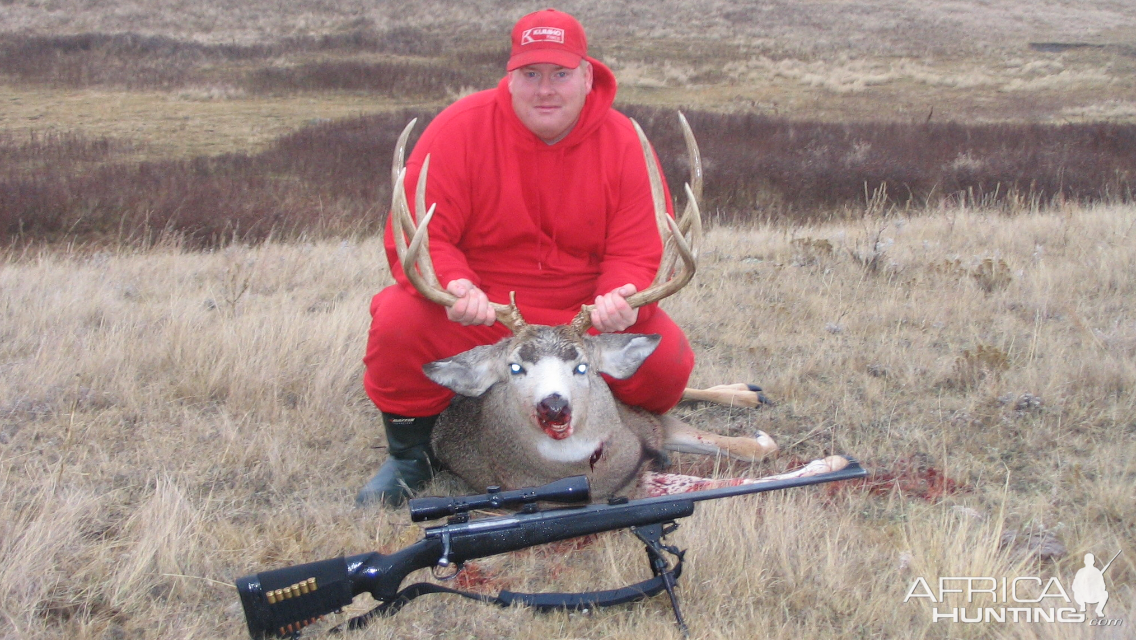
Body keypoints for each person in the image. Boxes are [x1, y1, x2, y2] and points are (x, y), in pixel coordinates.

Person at [357, 9, 695, 506]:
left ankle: (604, 422)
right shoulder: (460, 130)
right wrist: (455, 285)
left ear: (586, 76)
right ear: (510, 79)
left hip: (583, 318)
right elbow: (423, 236)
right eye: (530, 75)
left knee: (666, 362)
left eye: (560, 74)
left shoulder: (623, 142)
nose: (545, 89)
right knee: (399, 321)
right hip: (488, 315)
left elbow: (640, 247)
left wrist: (620, 296)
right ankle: (411, 455)